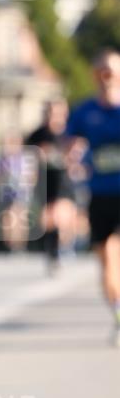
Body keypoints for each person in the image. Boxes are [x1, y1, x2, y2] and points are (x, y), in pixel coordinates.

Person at [66, 48, 120, 346]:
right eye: (102, 72)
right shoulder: (86, 112)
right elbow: (69, 142)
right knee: (108, 261)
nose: (107, 77)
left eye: (112, 71)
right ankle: (117, 312)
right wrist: (72, 152)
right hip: (100, 194)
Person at [26, 99, 79, 273]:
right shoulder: (36, 135)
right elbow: (27, 160)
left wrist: (68, 157)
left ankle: (63, 248)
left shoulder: (70, 134)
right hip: (44, 184)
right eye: (49, 113)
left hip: (64, 183)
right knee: (47, 221)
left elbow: (78, 157)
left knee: (59, 217)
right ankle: (52, 254)